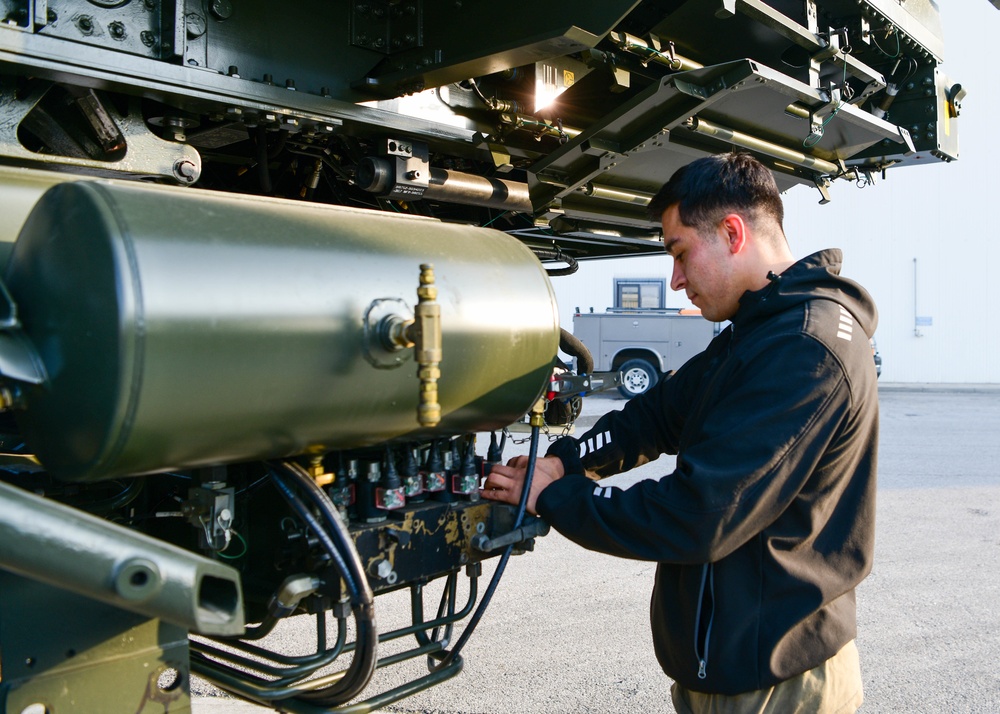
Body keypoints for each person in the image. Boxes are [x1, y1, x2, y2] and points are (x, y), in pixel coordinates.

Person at [482, 152, 879, 713]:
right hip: (733, 668)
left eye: (679, 252)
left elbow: (701, 513)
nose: (676, 280)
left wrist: (557, 498)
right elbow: (658, 414)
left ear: (733, 232)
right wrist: (565, 462)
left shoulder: (803, 348)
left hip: (775, 683)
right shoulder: (759, 330)